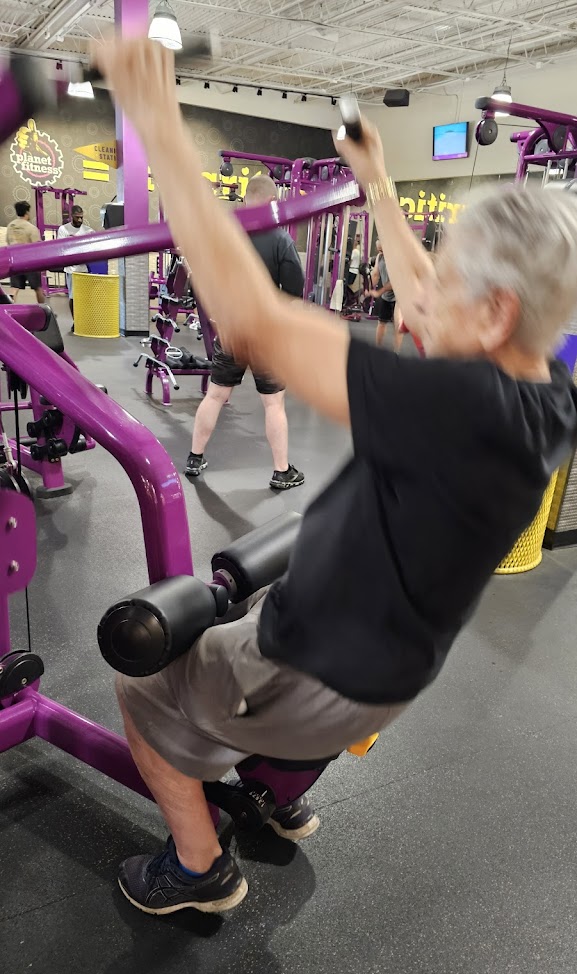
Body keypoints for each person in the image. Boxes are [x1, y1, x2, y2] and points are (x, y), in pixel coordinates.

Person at [93, 37, 577, 917]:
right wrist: (376, 180)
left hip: (309, 668)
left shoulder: (455, 405)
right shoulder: (543, 392)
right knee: (246, 616)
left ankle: (198, 870)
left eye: (445, 287)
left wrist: (156, 119)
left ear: (494, 312)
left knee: (141, 683)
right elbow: (424, 286)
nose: (416, 301)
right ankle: (274, 793)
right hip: (389, 670)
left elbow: (249, 319)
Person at [185, 174, 305, 491]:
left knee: (215, 395)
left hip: (232, 330)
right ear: (272, 201)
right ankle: (281, 471)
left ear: (246, 197)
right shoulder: (280, 239)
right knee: (273, 404)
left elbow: (202, 282)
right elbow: (294, 290)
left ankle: (194, 458)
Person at [57, 206, 93, 332]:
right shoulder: (63, 229)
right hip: (71, 269)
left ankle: (84, 321)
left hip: (84, 269)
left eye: (81, 217)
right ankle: (76, 322)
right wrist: (71, 241)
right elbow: (61, 247)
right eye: (77, 217)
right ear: (71, 216)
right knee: (73, 297)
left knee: (85, 298)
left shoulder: (88, 230)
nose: (80, 220)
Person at [6, 201, 47, 304]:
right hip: (29, 262)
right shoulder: (32, 228)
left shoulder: (10, 226)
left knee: (14, 288)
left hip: (15, 260)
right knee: (38, 288)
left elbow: (8, 242)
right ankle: (44, 309)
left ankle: (9, 308)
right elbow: (37, 247)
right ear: (27, 212)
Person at [366, 238, 395, 346]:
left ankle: (396, 352)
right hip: (387, 296)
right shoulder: (380, 257)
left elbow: (395, 282)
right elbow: (375, 274)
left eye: (382, 250)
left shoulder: (395, 259)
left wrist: (379, 292)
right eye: (378, 250)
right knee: (381, 322)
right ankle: (378, 348)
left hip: (399, 297)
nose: (380, 252)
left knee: (398, 326)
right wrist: (369, 288)